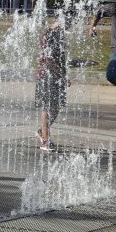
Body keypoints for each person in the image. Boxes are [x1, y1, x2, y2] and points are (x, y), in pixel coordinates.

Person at [35, 15, 70, 152]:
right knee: (47, 106)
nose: (70, 26)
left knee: (57, 107)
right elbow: (48, 60)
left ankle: (42, 131)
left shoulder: (59, 34)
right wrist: (63, 76)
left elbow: (60, 58)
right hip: (46, 75)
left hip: (57, 75)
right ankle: (45, 140)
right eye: (69, 22)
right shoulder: (50, 34)